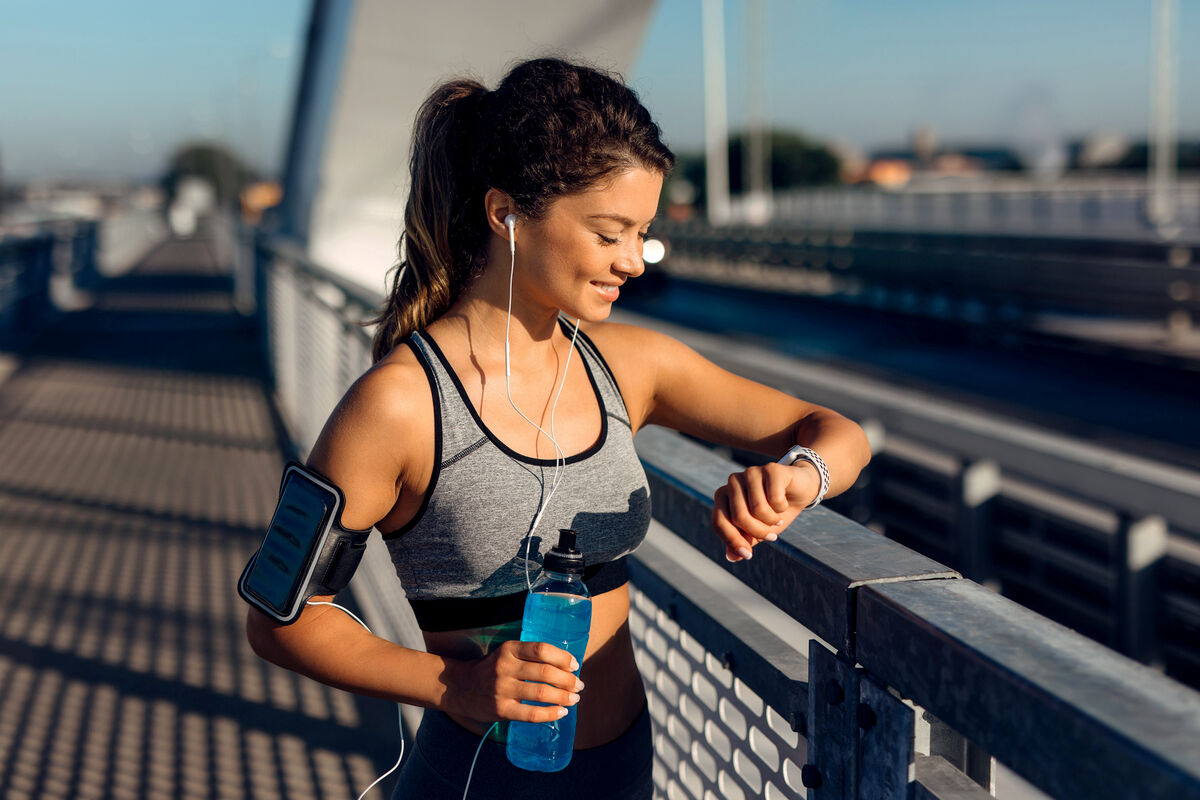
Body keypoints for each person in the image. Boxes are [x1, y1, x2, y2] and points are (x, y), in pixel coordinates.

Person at [245, 57, 871, 799]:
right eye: (610, 234)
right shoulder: (400, 406)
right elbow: (278, 616)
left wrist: (800, 476)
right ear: (506, 212)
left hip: (622, 770)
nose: (634, 262)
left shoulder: (629, 366)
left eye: (642, 233)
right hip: (480, 780)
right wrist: (452, 685)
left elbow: (830, 428)